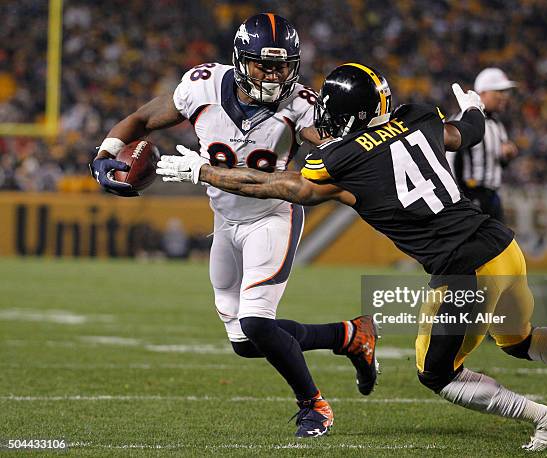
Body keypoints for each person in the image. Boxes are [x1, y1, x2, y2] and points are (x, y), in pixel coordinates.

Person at [157, 63, 547, 451]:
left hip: (461, 271)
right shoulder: (417, 117)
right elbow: (466, 133)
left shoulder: (344, 157)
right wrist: (473, 107)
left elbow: (285, 187)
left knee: (437, 375)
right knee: (518, 340)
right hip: (502, 246)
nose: (325, 121)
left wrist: (204, 171)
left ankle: (545, 417)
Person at [89, 15, 380, 438]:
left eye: (283, 66)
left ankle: (313, 406)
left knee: (258, 322)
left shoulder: (301, 105)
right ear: (241, 61)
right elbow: (140, 119)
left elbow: (339, 147)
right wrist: (105, 152)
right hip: (225, 220)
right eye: (265, 65)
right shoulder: (202, 86)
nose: (276, 74)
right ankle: (351, 336)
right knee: (245, 343)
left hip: (272, 217)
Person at [448, 67, 518, 221]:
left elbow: (496, 163)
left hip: (492, 195)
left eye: (505, 92)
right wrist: (458, 198)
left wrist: (507, 155)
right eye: (499, 92)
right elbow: (450, 159)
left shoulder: (497, 124)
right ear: (483, 93)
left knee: (500, 242)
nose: (504, 97)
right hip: (470, 194)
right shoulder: (463, 118)